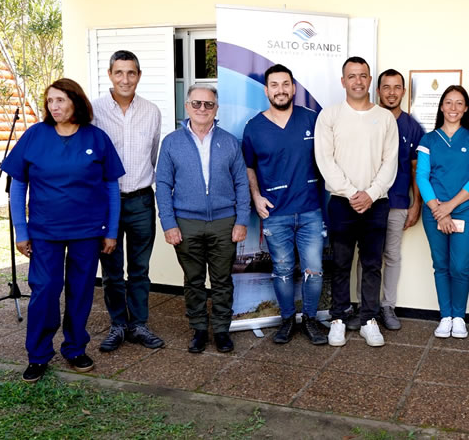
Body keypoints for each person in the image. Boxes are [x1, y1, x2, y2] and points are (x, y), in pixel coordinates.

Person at [3, 78, 125, 383]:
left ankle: (75, 348)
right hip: (45, 231)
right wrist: (21, 231)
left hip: (87, 231)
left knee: (80, 290)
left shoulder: (96, 138)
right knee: (45, 290)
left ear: (76, 102)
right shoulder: (35, 135)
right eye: (50, 101)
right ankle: (38, 354)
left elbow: (111, 187)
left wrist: (111, 230)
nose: (54, 106)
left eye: (60, 100)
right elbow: (18, 186)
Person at [156, 84, 250, 354]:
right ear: (187, 107)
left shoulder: (229, 141)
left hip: (224, 222)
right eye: (196, 103)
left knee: (222, 280)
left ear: (216, 108)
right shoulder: (171, 142)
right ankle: (198, 329)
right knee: (194, 280)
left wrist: (242, 220)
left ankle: (221, 330)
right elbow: (162, 185)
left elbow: (242, 183)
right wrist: (169, 224)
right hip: (186, 223)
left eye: (208, 104)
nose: (202, 108)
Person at [314, 56, 398, 347]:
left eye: (363, 75)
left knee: (372, 264)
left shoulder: (385, 118)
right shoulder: (330, 116)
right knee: (340, 263)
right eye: (352, 76)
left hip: (376, 203)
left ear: (370, 80)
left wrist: (370, 194)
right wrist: (352, 193)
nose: (358, 81)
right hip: (342, 203)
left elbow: (390, 162)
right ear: (343, 81)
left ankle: (368, 320)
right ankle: (338, 318)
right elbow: (325, 160)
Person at [242, 64, 328, 345]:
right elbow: (248, 166)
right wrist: (256, 197)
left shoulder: (312, 119)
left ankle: (311, 319)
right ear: (266, 91)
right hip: (275, 212)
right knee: (282, 270)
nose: (280, 90)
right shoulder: (254, 127)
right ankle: (287, 319)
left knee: (314, 270)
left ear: (294, 88)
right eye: (274, 85)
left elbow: (329, 158)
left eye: (285, 84)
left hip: (310, 210)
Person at [92, 50, 165, 353]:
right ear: (110, 74)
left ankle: (139, 325)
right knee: (111, 271)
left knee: (139, 269)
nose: (125, 79)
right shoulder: (94, 111)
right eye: (119, 72)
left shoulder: (152, 111)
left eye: (131, 73)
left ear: (139, 75)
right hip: (105, 203)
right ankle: (118, 325)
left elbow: (153, 155)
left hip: (141, 201)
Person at [351, 69, 424, 331]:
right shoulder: (365, 119)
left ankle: (387, 306)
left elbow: (416, 169)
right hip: (367, 202)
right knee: (367, 257)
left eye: (397, 87)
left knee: (391, 256)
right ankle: (364, 307)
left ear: (404, 91)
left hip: (396, 203)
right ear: (378, 90)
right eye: (386, 87)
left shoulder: (412, 127)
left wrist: (416, 204)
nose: (391, 93)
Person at [416, 86, 469, 339]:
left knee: (459, 266)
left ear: (466, 108)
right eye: (448, 102)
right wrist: (439, 210)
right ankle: (445, 316)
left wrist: (450, 207)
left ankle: (459, 317)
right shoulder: (429, 140)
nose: (453, 108)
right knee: (441, 265)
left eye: (459, 103)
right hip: (434, 211)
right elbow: (422, 177)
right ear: (441, 107)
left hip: (465, 211)